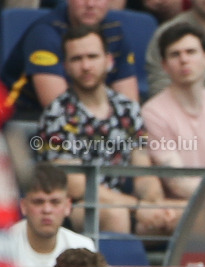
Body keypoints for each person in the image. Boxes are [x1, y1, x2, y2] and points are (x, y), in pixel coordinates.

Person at [35, 26, 181, 236]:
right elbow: (75, 185)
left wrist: (155, 204)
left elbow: (143, 171)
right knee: (115, 214)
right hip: (76, 208)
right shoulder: (56, 114)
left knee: (184, 213)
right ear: (66, 66)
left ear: (109, 60)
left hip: (127, 203)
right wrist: (137, 206)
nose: (86, 66)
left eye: (92, 56)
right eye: (77, 59)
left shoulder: (128, 108)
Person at [141, 24, 205, 200]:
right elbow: (177, 182)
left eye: (191, 52)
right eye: (175, 54)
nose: (184, 60)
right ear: (164, 66)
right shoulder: (152, 113)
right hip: (179, 210)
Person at [0, 0, 139, 118]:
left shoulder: (114, 30)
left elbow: (130, 105)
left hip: (91, 118)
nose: (90, 4)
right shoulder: (45, 34)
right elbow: (58, 110)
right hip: (26, 118)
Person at [3, 163, 95, 267]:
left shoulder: (82, 248)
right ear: (23, 206)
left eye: (55, 202)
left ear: (68, 206)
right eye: (38, 202)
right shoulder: (4, 246)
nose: (47, 210)